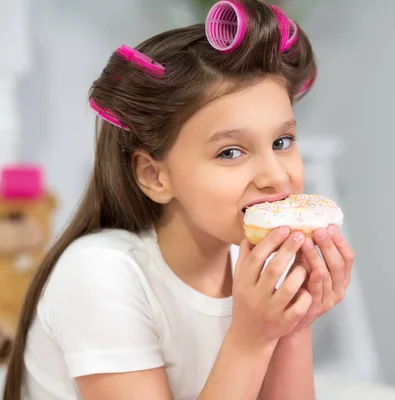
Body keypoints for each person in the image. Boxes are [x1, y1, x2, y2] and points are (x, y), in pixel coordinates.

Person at [2, 1, 355, 399]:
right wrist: (250, 339)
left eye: (282, 142)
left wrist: (294, 325)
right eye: (230, 152)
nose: (275, 176)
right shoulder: (98, 274)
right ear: (155, 175)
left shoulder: (248, 262)